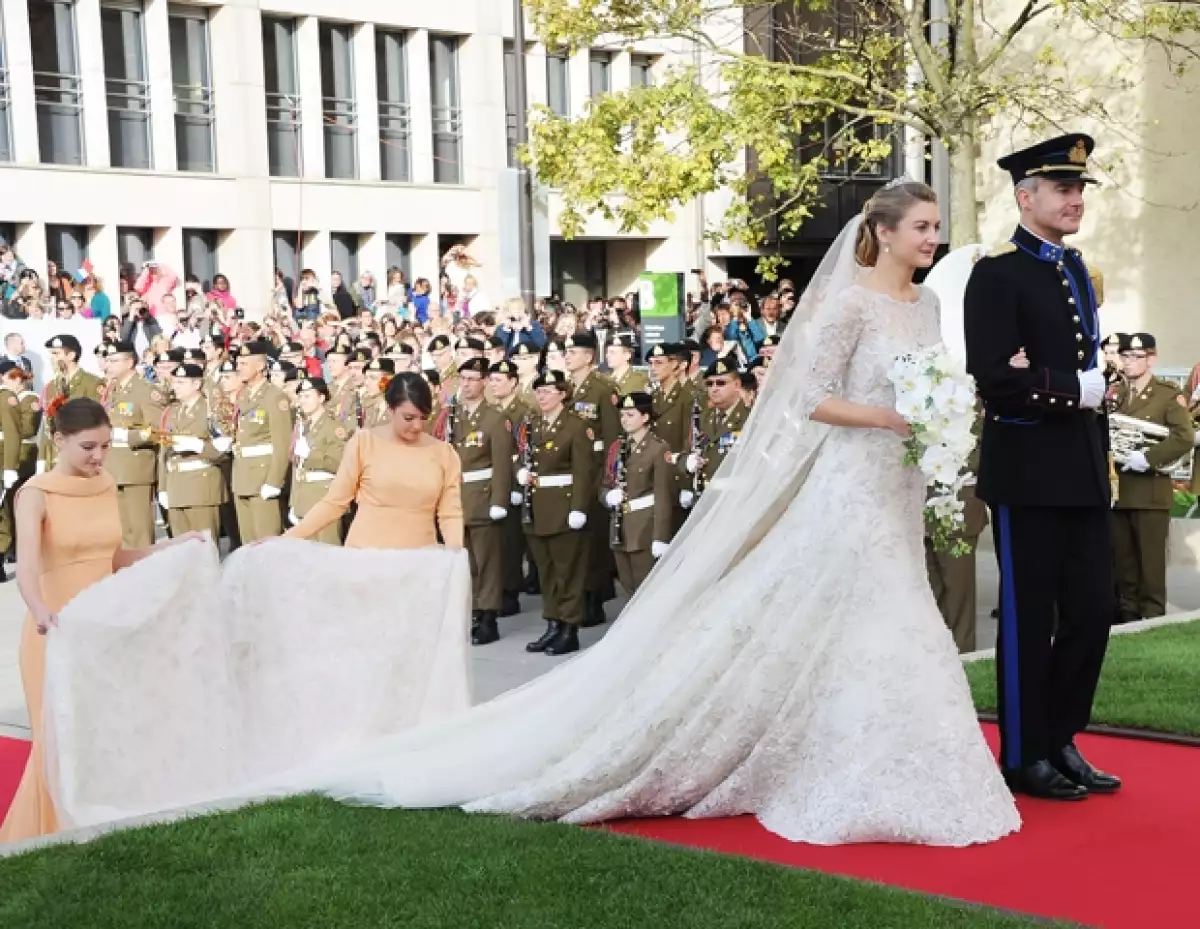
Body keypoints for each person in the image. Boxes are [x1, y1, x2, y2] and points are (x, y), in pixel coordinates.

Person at [964, 134, 1121, 801]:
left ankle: (1061, 734)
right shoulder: (996, 272)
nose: (1076, 198)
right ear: (1026, 196)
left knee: (1093, 611)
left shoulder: (1077, 268)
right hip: (1027, 469)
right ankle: (1024, 753)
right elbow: (995, 376)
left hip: (1079, 467)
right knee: (1030, 617)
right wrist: (1070, 387)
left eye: (1080, 188)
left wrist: (1076, 388)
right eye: (1063, 188)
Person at [0, 398, 203, 843]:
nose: (98, 457)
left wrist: (172, 546)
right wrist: (38, 609)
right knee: (58, 742)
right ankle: (45, 835)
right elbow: (29, 568)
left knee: (103, 732)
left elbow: (112, 558)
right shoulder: (34, 494)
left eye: (105, 446)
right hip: (54, 629)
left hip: (104, 631)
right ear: (59, 441)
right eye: (88, 447)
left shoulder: (106, 484)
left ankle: (97, 834)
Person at [284, 372, 463, 549]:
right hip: (366, 558)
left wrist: (455, 555)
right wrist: (289, 536)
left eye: (423, 417)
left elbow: (450, 514)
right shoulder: (364, 443)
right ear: (390, 409)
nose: (417, 425)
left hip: (418, 562)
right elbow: (334, 502)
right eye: (408, 418)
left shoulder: (444, 453)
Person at [1110, 333, 1194, 622]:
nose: (1129, 362)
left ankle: (1153, 623)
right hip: (1119, 494)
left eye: (1136, 356)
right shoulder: (1116, 393)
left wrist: (1147, 457)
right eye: (1125, 356)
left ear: (1152, 359)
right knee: (1124, 568)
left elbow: (1185, 437)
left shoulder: (1167, 395)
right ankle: (1127, 624)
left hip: (1150, 494)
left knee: (1151, 569)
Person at [515, 369, 594, 655]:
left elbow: (584, 471)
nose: (542, 396)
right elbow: (518, 454)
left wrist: (578, 508)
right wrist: (519, 472)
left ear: (563, 394)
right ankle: (553, 624)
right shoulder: (533, 423)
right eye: (539, 391)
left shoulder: (575, 426)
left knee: (567, 571)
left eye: (548, 391)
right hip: (536, 507)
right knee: (546, 571)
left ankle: (569, 627)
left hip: (563, 506)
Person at [450, 357, 514, 645]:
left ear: (485, 382)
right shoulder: (454, 416)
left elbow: (502, 463)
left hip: (484, 496)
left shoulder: (495, 418)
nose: (465, 384)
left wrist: (499, 500)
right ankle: (473, 610)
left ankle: (488, 616)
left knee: (488, 562)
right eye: (462, 378)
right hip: (457, 498)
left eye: (472, 379)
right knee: (467, 562)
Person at [601, 392, 673, 595]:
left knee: (646, 589)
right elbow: (605, 483)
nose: (624, 419)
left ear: (645, 417)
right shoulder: (617, 448)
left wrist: (661, 536)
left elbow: (663, 496)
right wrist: (608, 496)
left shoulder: (658, 448)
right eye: (623, 415)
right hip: (619, 528)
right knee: (628, 585)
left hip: (644, 527)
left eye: (630, 414)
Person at [101, 341, 168, 547]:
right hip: (113, 466)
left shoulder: (145, 391)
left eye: (114, 360)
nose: (108, 365)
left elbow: (159, 430)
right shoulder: (113, 390)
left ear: (130, 362)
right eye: (107, 360)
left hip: (136, 467)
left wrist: (127, 436)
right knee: (121, 531)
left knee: (138, 532)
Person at [231, 341, 292, 542]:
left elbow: (282, 443)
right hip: (242, 477)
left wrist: (274, 481)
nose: (238, 368)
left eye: (244, 364)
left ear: (260, 366)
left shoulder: (275, 397)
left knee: (267, 543)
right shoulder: (244, 396)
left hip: (262, 477)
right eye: (238, 363)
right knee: (248, 545)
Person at [158, 363, 227, 541]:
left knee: (204, 547)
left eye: (181, 382)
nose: (175, 387)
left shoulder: (211, 410)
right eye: (174, 382)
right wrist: (163, 487)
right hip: (176, 485)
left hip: (200, 486)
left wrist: (198, 446)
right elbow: (163, 452)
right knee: (182, 550)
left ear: (197, 384)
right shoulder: (173, 412)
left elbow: (223, 450)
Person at [288, 377, 352, 545]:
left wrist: (310, 455)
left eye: (307, 396)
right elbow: (297, 467)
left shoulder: (334, 426)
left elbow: (338, 463)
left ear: (321, 398)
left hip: (323, 497)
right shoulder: (304, 426)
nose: (302, 401)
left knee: (327, 551)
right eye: (301, 396)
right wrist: (294, 502)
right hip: (304, 495)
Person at [38, 335, 103, 472]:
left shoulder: (92, 384)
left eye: (56, 353)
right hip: (55, 459)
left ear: (71, 355)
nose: (52, 358)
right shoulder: (51, 386)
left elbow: (96, 423)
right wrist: (41, 459)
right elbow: (47, 424)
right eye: (51, 354)